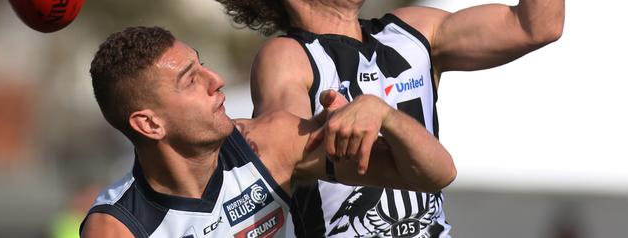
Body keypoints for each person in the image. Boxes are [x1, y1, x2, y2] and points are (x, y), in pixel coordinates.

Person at [204, 0, 564, 236]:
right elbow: (286, 154)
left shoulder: (413, 32)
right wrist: (335, 129)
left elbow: (538, 25)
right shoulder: (287, 55)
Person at [79, 26, 456, 238]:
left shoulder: (268, 145)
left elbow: (435, 174)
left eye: (203, 65)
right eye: (190, 80)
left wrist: (384, 115)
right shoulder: (116, 227)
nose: (217, 81)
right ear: (149, 124)